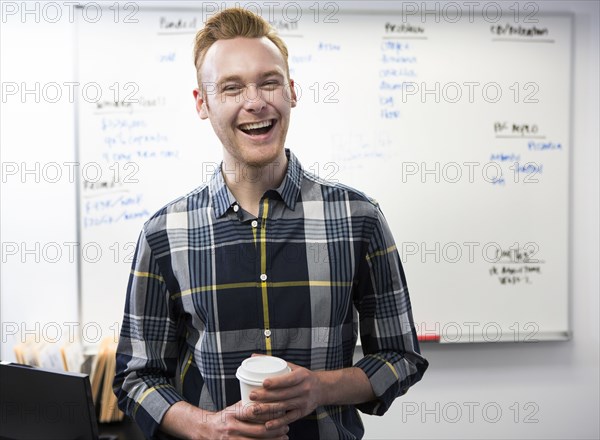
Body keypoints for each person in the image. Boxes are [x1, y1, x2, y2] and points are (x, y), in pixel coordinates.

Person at [114, 7, 428, 440]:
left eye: (269, 81)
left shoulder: (359, 219)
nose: (255, 101)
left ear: (291, 91)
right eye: (231, 88)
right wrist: (210, 428)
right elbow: (137, 379)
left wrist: (320, 388)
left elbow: (400, 356)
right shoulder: (164, 234)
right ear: (202, 104)